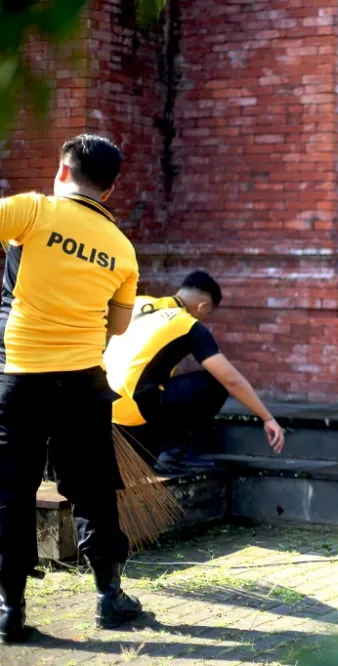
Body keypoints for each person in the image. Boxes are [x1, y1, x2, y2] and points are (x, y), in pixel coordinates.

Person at [0, 135, 145, 643]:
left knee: (10, 492)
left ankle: (10, 609)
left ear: (63, 172)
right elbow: (120, 326)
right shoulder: (122, 248)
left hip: (18, 378)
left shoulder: (33, 211)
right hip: (84, 382)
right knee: (93, 489)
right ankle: (109, 597)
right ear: (110, 188)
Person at [103, 271, 284, 472]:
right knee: (216, 383)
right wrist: (267, 417)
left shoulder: (138, 304)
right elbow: (231, 379)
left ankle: (159, 450)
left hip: (106, 408)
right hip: (137, 411)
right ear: (203, 306)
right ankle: (175, 453)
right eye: (207, 314)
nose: (204, 319)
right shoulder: (188, 325)